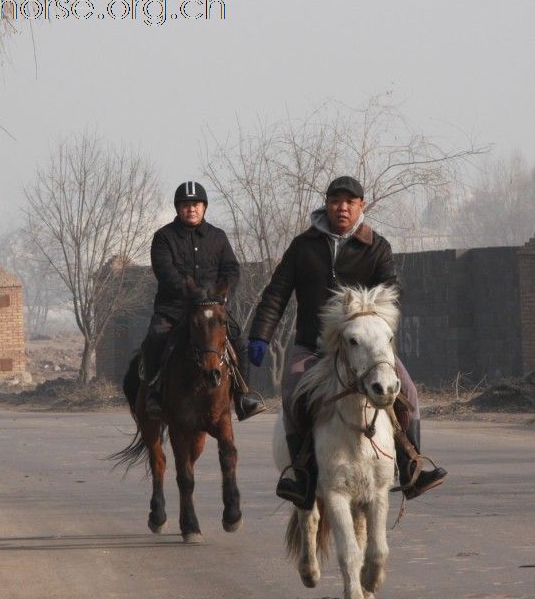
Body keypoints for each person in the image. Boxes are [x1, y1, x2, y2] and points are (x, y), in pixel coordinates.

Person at [248, 176, 447, 508]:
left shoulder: (376, 247)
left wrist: (374, 312)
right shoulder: (303, 246)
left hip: (366, 349)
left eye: (350, 201)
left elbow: (391, 292)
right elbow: (276, 294)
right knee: (292, 391)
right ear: (326, 204)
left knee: (407, 390)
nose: (342, 207)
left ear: (362, 206)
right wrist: (259, 335)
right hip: (313, 347)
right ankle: (300, 474)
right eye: (336, 200)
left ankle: (411, 466)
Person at [141, 180, 265, 421]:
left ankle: (243, 396)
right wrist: (193, 293)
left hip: (212, 309)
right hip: (174, 309)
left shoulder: (217, 237)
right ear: (178, 208)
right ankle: (154, 394)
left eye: (196, 204)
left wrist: (224, 293)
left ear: (204, 207)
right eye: (186, 205)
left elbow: (231, 268)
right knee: (154, 339)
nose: (191, 209)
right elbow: (165, 271)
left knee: (240, 341)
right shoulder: (164, 237)